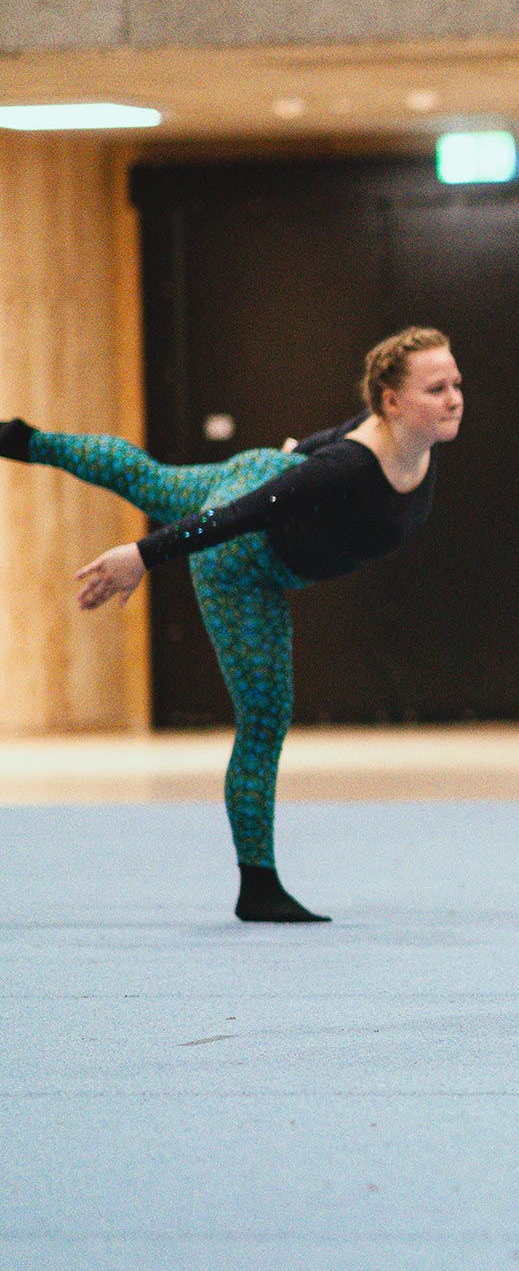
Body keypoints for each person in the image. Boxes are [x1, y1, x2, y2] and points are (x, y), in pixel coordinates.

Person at [1, 328, 462, 922]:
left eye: (456, 383)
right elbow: (238, 517)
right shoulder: (348, 469)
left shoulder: (408, 437)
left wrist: (297, 454)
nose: (454, 398)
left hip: (261, 472)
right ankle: (258, 886)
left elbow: (330, 438)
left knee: (148, 478)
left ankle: (20, 439)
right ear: (392, 403)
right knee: (265, 717)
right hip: (242, 557)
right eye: (436, 388)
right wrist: (141, 556)